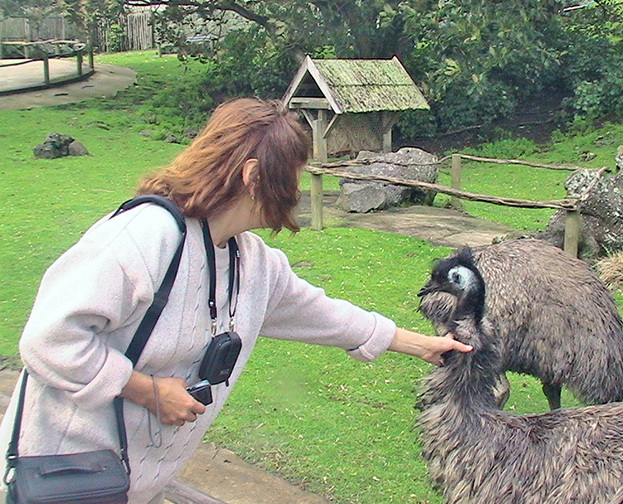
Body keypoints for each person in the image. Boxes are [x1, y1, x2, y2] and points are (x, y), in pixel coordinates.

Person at [0, 98, 472, 503]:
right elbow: (50, 340)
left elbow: (321, 313)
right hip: (67, 475)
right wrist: (146, 390)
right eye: (290, 178)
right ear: (252, 176)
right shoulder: (144, 237)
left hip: (132, 479)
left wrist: (421, 345)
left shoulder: (251, 261)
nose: (294, 193)